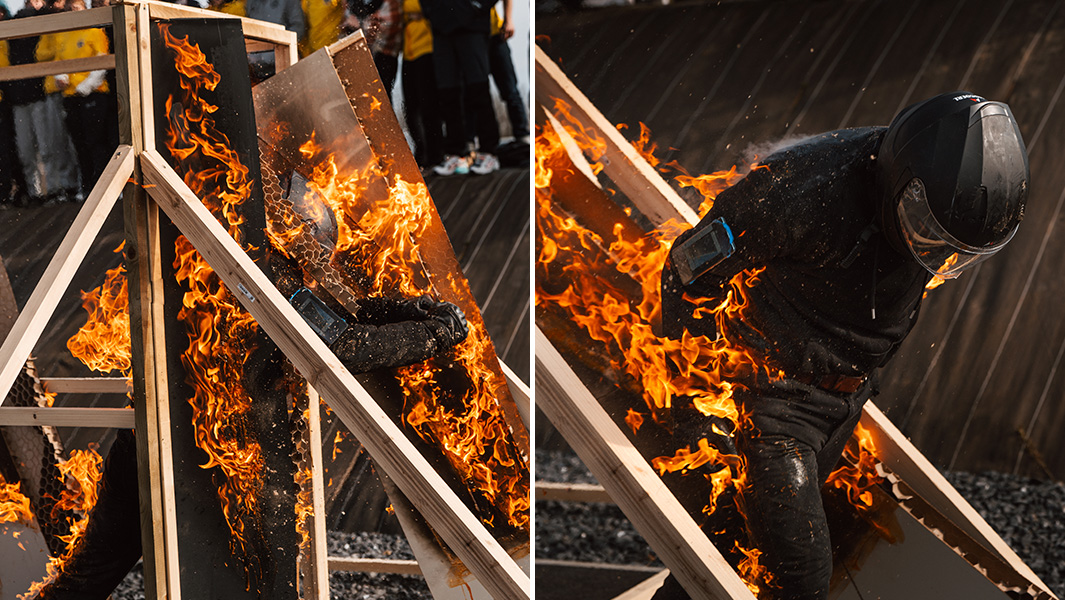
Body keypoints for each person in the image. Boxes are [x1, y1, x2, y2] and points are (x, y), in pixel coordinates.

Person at [655, 92, 1029, 600]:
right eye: (929, 235)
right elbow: (688, 268)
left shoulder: (935, 194)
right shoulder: (799, 189)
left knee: (729, 552)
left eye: (953, 251)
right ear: (901, 180)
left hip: (846, 400)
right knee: (802, 578)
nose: (936, 255)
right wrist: (696, 394)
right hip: (774, 405)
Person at [36, 0, 112, 200]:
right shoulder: (64, 34)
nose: (73, 12)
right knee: (79, 144)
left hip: (93, 93)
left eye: (76, 9)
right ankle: (87, 187)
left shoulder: (94, 31)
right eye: (70, 10)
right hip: (70, 97)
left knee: (96, 142)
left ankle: (106, 188)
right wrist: (60, 77)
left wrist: (85, 85)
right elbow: (58, 62)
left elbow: (102, 60)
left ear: (85, 10)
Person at [420, 0, 499, 176]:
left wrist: (476, 6)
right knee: (448, 94)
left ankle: (489, 152)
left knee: (478, 89)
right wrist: (432, 11)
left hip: (472, 26)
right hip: (441, 30)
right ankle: (456, 154)